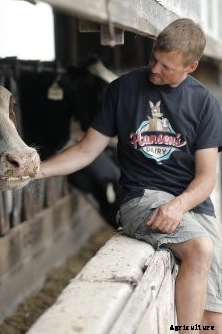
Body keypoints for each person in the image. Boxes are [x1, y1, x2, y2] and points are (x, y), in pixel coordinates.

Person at [36, 18, 222, 332]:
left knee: (216, 318)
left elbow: (206, 178)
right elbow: (85, 151)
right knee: (200, 248)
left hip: (190, 206)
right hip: (141, 199)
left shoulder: (204, 103)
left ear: (191, 67)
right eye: (154, 59)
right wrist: (36, 170)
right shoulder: (122, 89)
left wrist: (178, 206)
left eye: (166, 66)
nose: (154, 69)